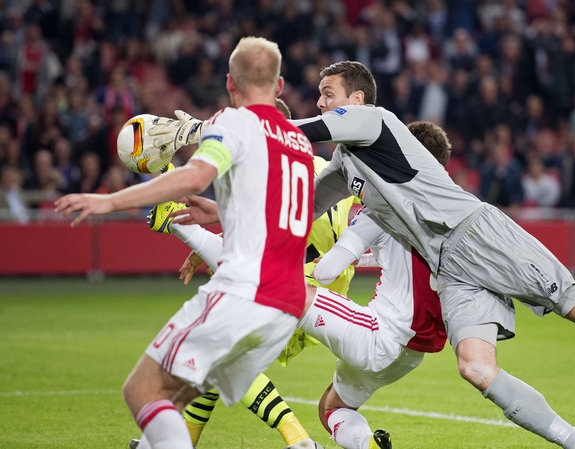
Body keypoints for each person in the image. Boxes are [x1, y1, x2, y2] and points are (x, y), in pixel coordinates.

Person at [157, 61, 575, 449]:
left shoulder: (372, 121)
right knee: (475, 369)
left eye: (326, 93)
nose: (319, 100)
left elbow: (294, 132)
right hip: (449, 267)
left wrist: (211, 129)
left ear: (354, 98)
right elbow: (298, 207)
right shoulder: (350, 166)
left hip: (481, 235)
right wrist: (222, 213)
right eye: (319, 95)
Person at [54, 37, 320, 449]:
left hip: (244, 291)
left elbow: (196, 176)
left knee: (141, 390)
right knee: (176, 397)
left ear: (231, 84)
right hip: (286, 306)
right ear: (280, 85)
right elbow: (280, 209)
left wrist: (109, 200)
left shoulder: (233, 121)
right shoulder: (300, 145)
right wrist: (220, 212)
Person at [160, 120, 452, 449]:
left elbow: (315, 258)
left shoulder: (365, 195)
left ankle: (298, 441)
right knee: (330, 406)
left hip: (346, 312)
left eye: (327, 96)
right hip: (410, 350)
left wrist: (204, 230)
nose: (321, 106)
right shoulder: (453, 212)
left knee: (229, 336)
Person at [130, 98, 351, 449]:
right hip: (324, 292)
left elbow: (261, 223)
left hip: (285, 285)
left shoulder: (269, 172)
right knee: (220, 356)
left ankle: (300, 441)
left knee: (220, 352)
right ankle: (181, 439)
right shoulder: (326, 165)